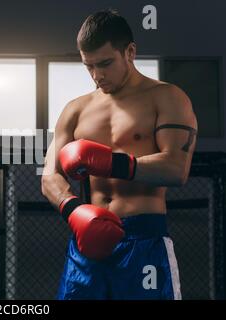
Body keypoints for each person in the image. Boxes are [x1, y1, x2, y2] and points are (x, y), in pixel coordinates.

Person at [41, 9, 198, 300]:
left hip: (143, 239)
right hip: (85, 240)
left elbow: (177, 168)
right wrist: (73, 209)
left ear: (130, 52)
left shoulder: (166, 97)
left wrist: (110, 162)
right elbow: (50, 176)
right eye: (88, 66)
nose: (97, 75)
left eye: (105, 63)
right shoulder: (75, 110)